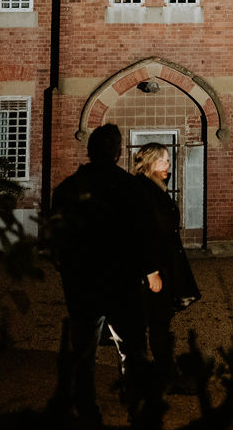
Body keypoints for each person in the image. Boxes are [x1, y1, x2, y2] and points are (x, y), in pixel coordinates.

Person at [48, 123, 163, 427]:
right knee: (132, 348)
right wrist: (150, 270)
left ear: (90, 150)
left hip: (83, 281)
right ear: (117, 152)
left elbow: (56, 236)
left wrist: (66, 267)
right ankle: (135, 406)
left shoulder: (69, 187)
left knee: (84, 350)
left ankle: (88, 410)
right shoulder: (129, 187)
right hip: (121, 281)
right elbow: (145, 232)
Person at [131, 142, 201, 395]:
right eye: (164, 161)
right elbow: (141, 232)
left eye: (168, 161)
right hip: (154, 268)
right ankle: (158, 376)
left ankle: (159, 374)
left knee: (160, 322)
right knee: (154, 322)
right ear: (150, 163)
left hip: (164, 263)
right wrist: (150, 271)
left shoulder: (153, 188)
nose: (168, 166)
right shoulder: (142, 190)